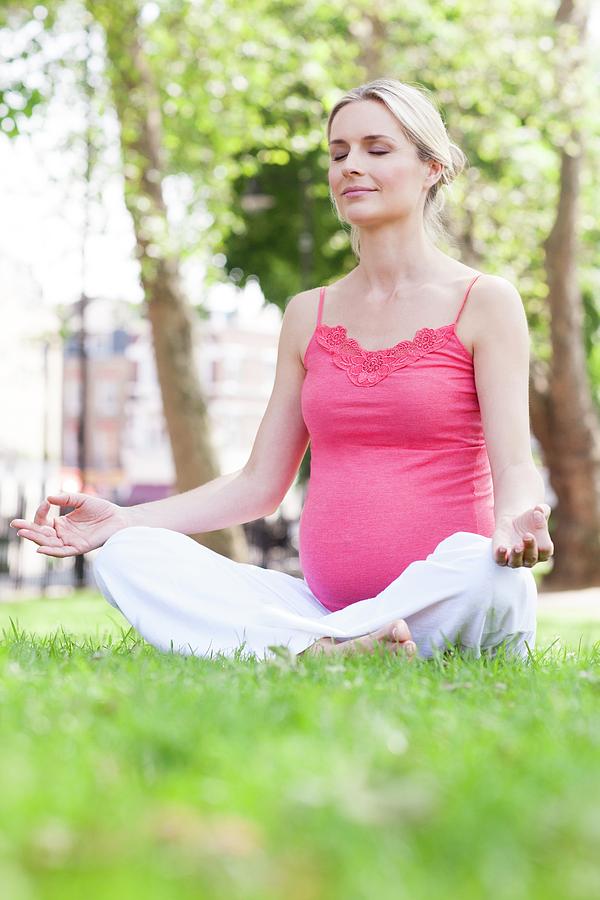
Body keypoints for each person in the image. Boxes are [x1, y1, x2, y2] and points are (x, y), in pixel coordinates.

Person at [11, 78, 554, 662]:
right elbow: (258, 485)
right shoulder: (308, 314)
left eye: (377, 148)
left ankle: (308, 648)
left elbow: (514, 466)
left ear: (432, 167)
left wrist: (516, 524)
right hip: (319, 605)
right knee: (127, 553)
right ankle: (329, 645)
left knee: (485, 572)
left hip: (450, 593)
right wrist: (122, 520)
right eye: (338, 152)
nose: (350, 166)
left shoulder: (485, 301)